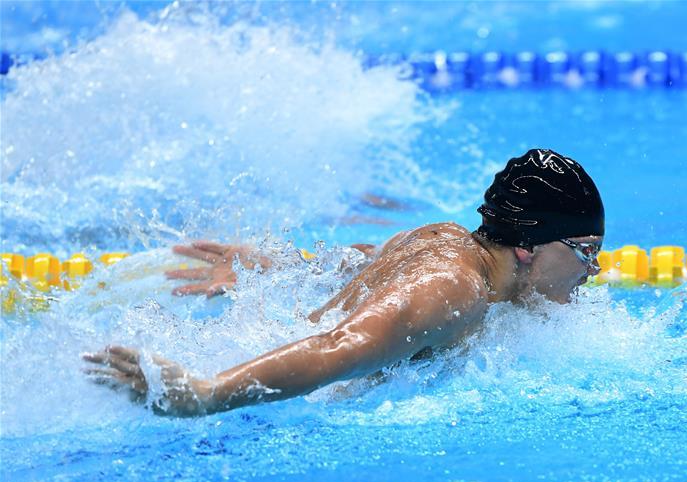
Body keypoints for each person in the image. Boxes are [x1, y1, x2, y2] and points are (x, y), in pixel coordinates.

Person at [84, 148, 605, 416]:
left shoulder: (443, 237)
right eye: (586, 252)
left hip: (271, 354)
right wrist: (206, 392)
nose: (592, 271)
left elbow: (362, 262)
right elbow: (338, 346)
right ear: (528, 247)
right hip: (285, 400)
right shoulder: (454, 289)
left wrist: (270, 265)